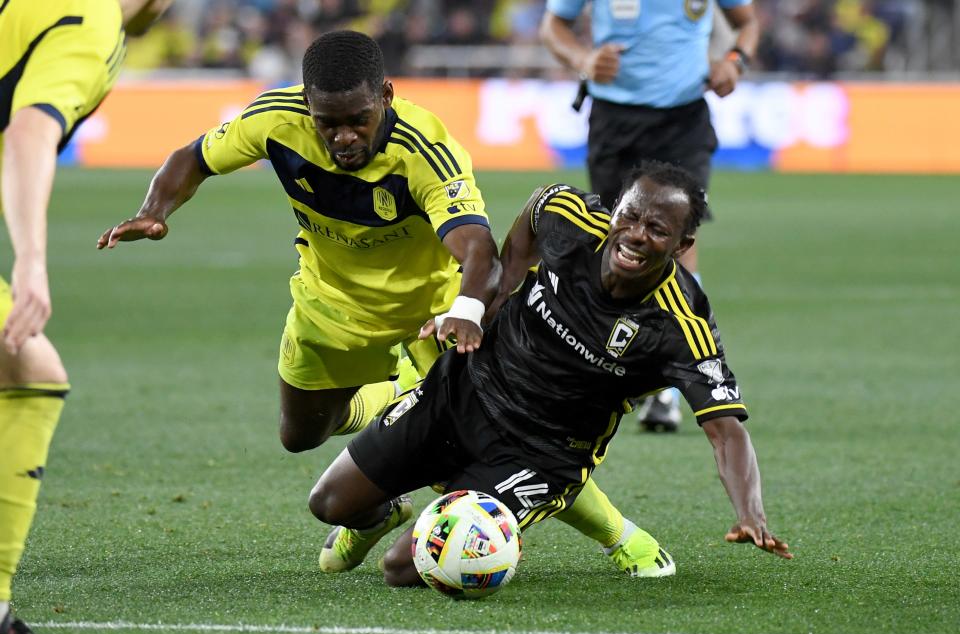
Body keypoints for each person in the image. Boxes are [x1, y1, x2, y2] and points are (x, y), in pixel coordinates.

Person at [96, 30, 655, 581]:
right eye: (327, 122)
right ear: (306, 104)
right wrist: (155, 209)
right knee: (301, 435)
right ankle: (384, 492)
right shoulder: (274, 119)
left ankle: (620, 537)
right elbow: (192, 157)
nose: (342, 137)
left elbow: (478, 248)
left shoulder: (425, 151)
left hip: (431, 313)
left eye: (357, 119)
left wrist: (466, 308)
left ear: (385, 96)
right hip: (330, 304)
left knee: (500, 439)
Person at [308, 160, 792, 588]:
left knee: (403, 569)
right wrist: (474, 311)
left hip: (539, 452)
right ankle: (380, 515)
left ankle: (613, 533)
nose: (636, 234)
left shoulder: (679, 326)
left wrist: (750, 513)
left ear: (684, 244)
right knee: (329, 503)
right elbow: (515, 255)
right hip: (462, 391)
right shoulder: (566, 214)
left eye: (658, 229)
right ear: (615, 206)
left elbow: (726, 432)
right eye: (630, 215)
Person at [0, 1, 173, 634]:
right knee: (27, 368)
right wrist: (32, 263)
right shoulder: (91, 22)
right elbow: (26, 133)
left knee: (24, 365)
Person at [540, 0, 760, 433]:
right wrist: (584, 59)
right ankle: (604, 365)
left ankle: (670, 385)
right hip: (612, 121)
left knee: (675, 247)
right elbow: (554, 26)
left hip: (684, 122)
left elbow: (747, 23)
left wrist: (735, 61)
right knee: (617, 247)